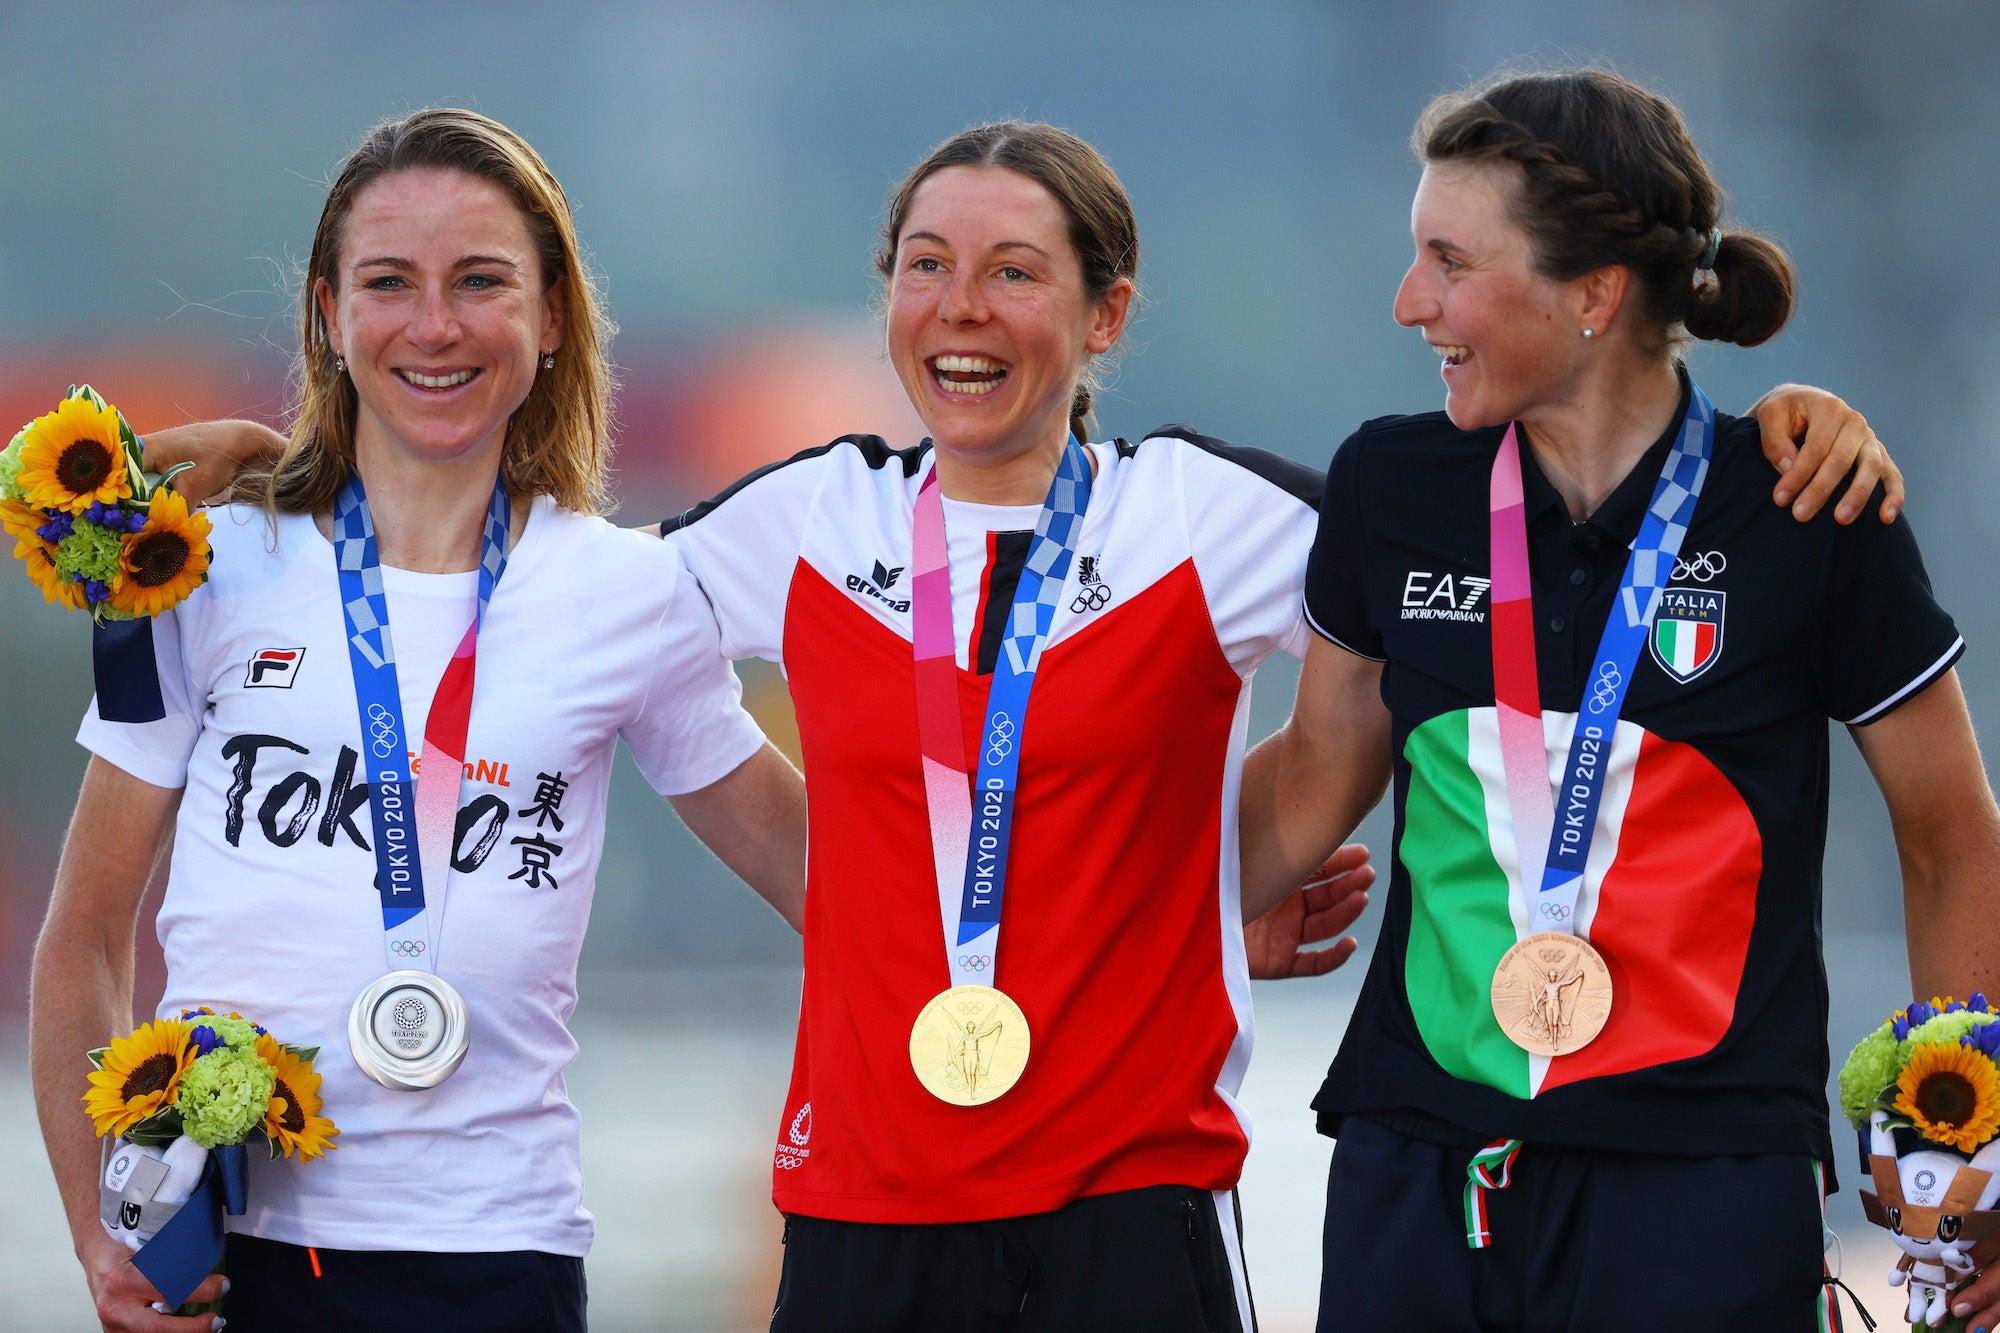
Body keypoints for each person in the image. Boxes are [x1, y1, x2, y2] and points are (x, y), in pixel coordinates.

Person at [142, 120, 1895, 1329]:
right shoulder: (789, 524)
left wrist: (1769, 427)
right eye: (924, 264)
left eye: (1013, 272)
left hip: (1134, 1202)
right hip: (859, 1210)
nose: (961, 309)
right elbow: (485, 587)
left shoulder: (1214, 515)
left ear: (1104, 316)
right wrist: (280, 482)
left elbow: (1525, 530)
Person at [1240, 69, 2000, 1331]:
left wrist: (1961, 1145)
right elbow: (1309, 781)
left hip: (1703, 1169)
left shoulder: (1804, 501)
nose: (1406, 301)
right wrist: (1117, 931)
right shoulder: (1391, 483)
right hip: (1420, 1156)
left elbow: (1946, 830)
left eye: (1447, 260)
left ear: (1592, 295)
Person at [29, 108, 807, 1333]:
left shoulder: (630, 593)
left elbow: (825, 877)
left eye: (480, 281)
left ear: (551, 318)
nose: (433, 325)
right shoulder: (206, 566)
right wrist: (100, 1224)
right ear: (331, 316)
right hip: (229, 1250)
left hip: (498, 1258)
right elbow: (81, 933)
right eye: (389, 283)